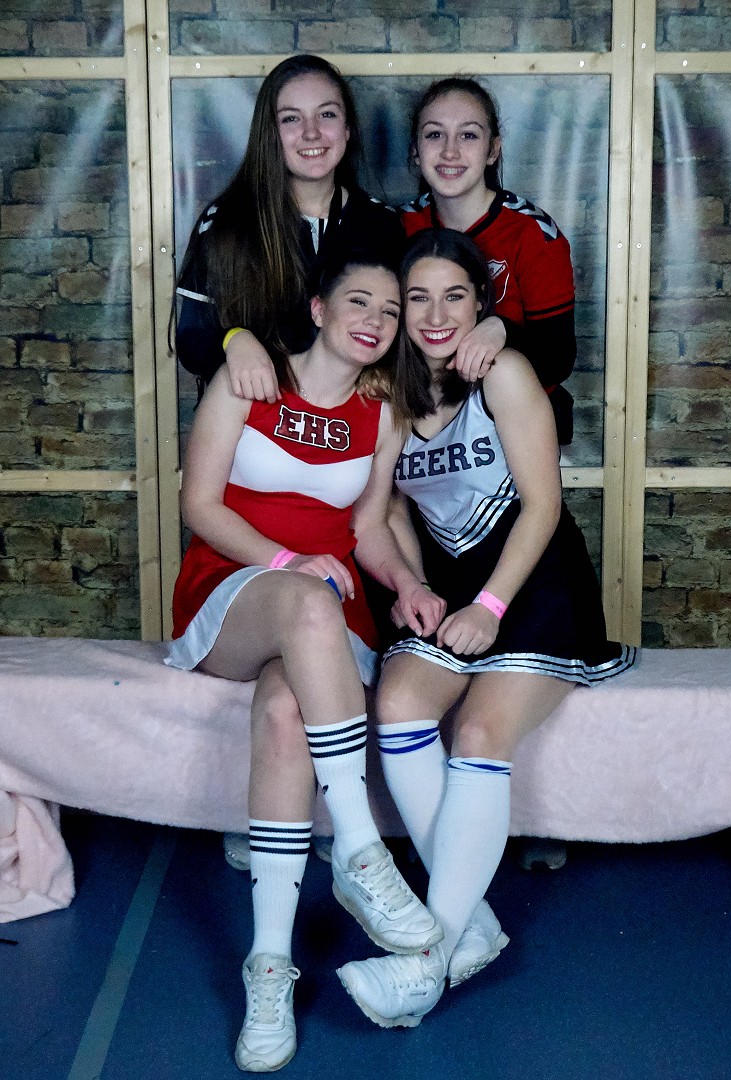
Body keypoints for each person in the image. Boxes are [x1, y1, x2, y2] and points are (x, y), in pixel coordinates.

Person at [337, 229, 636, 1027]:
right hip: (452, 590)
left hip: (533, 587)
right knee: (399, 704)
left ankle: (426, 962)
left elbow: (543, 505)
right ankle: (470, 923)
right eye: (419, 298)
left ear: (482, 305)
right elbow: (375, 515)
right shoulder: (386, 390)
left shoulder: (503, 372)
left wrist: (492, 607)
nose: (436, 315)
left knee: (476, 733)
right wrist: (409, 586)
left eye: (455, 296)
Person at [166, 252, 446, 1072]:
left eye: (389, 312)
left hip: (327, 609)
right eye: (358, 302)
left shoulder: (381, 412)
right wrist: (288, 562)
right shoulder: (251, 379)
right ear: (319, 309)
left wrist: (409, 585)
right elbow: (198, 505)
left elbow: (367, 528)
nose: (375, 321)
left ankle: (267, 967)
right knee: (309, 602)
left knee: (287, 712)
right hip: (236, 591)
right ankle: (359, 847)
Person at [174, 53, 404, 402]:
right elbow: (191, 339)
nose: (311, 132)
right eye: (291, 118)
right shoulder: (227, 221)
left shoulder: (382, 225)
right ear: (270, 132)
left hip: (350, 420)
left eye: (327, 114)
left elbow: (399, 337)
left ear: (347, 128)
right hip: (254, 419)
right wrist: (234, 339)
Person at [401, 77, 577, 445]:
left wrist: (501, 330)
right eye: (434, 135)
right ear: (415, 150)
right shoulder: (397, 227)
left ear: (493, 150)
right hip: (420, 420)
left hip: (508, 428)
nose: (450, 152)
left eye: (468, 135)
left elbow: (559, 357)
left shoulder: (532, 233)